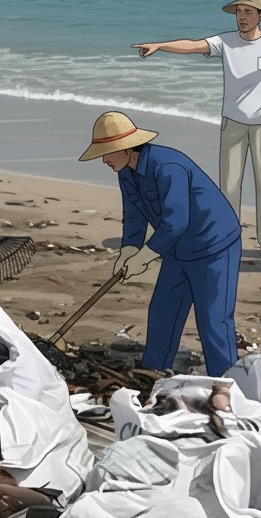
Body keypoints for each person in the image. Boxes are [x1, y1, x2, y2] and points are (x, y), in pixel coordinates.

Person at [132, 0, 261, 265]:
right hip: (232, 123)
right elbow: (192, 45)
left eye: (248, 12)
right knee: (229, 186)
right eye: (239, 12)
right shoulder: (225, 42)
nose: (242, 17)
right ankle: (228, 238)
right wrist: (161, 45)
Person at [79, 111, 242, 375]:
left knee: (214, 323)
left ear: (128, 148)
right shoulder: (126, 173)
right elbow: (134, 217)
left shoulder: (168, 168)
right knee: (162, 317)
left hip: (214, 247)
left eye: (108, 152)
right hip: (177, 251)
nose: (105, 159)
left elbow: (176, 222)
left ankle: (226, 386)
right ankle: (153, 376)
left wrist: (144, 258)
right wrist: (128, 251)